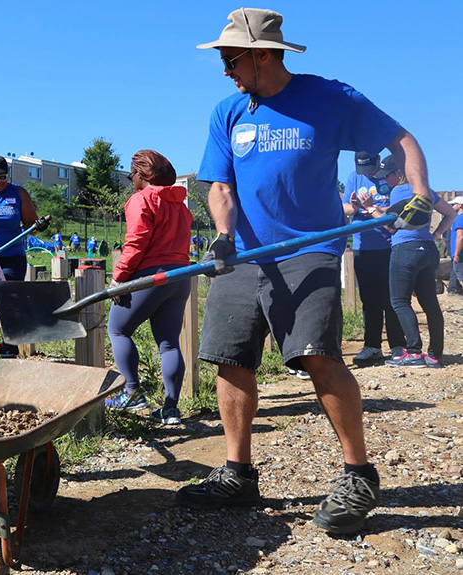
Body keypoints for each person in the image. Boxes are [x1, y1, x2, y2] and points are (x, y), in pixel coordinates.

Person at [180, 8, 439, 534]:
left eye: (231, 60)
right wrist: (224, 236)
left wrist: (420, 193)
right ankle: (237, 474)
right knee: (230, 361)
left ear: (261, 55)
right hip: (244, 255)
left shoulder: (330, 98)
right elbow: (220, 187)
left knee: (317, 356)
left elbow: (403, 140)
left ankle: (358, 473)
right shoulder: (228, 111)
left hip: (310, 249)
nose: (225, 70)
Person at [103, 151, 192, 424]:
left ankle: (131, 392)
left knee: (118, 329)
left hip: (151, 277)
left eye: (132, 175)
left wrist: (119, 278)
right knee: (168, 344)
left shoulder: (141, 200)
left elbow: (136, 243)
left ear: (142, 175)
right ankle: (171, 408)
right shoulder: (182, 206)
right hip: (180, 277)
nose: (131, 180)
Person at [379, 155, 454, 368]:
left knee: (399, 301)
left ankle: (413, 352)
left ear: (399, 173)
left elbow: (391, 225)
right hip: (428, 250)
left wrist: (371, 210)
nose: (386, 180)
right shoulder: (425, 190)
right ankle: (435, 355)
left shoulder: (397, 192)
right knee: (429, 302)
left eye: (388, 175)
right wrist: (437, 234)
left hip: (405, 249)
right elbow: (450, 214)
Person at [344, 152, 405, 366]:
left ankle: (398, 346)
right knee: (369, 301)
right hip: (363, 248)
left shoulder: (389, 176)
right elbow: (345, 208)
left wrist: (372, 208)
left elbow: (398, 209)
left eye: (370, 167)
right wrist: (355, 206)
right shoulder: (354, 177)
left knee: (392, 299)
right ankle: (372, 346)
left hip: (389, 246)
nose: (367, 173)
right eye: (363, 169)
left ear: (378, 161)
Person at [0, 154, 40, 358]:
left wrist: (36, 226)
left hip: (13, 256)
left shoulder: (18, 193)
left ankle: (8, 350)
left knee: (9, 301)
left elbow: (30, 225)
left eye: (2, 177)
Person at [446, 197, 463, 295]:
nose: (452, 206)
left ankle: (453, 290)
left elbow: (460, 237)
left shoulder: (459, 219)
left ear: (460, 205)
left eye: (454, 204)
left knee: (459, 275)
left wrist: (456, 253)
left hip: (460, 253)